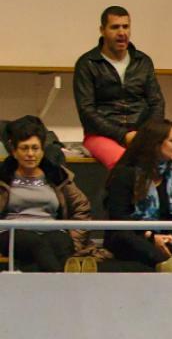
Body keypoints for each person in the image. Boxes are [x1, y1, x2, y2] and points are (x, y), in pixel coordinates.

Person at [0, 115, 110, 272]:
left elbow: (81, 207)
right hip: (11, 232)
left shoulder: (57, 176)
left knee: (60, 242)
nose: (31, 154)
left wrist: (75, 240)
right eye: (25, 148)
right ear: (14, 151)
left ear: (42, 149)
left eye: (35, 148)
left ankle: (57, 283)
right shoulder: (3, 177)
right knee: (34, 242)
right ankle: (65, 281)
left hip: (51, 230)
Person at [103, 118, 172, 272]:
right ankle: (170, 264)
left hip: (169, 234)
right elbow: (120, 219)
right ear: (155, 144)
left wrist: (169, 236)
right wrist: (152, 237)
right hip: (138, 234)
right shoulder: (125, 174)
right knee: (125, 237)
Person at [73, 6, 165, 170]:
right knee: (124, 165)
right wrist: (123, 135)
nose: (122, 32)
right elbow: (86, 111)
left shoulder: (143, 61)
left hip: (141, 134)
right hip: (102, 135)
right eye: (115, 27)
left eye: (126, 26)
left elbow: (157, 103)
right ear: (102, 30)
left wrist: (146, 134)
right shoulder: (87, 64)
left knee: (171, 161)